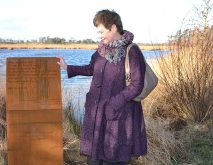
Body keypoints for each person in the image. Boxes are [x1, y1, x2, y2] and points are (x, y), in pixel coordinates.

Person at [57, 9, 147, 165]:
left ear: (112, 28)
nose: (99, 36)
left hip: (118, 116)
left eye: (101, 31)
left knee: (113, 157)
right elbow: (91, 68)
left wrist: (114, 103)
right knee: (93, 159)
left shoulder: (132, 52)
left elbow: (137, 85)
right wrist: (68, 67)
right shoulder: (101, 50)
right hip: (97, 115)